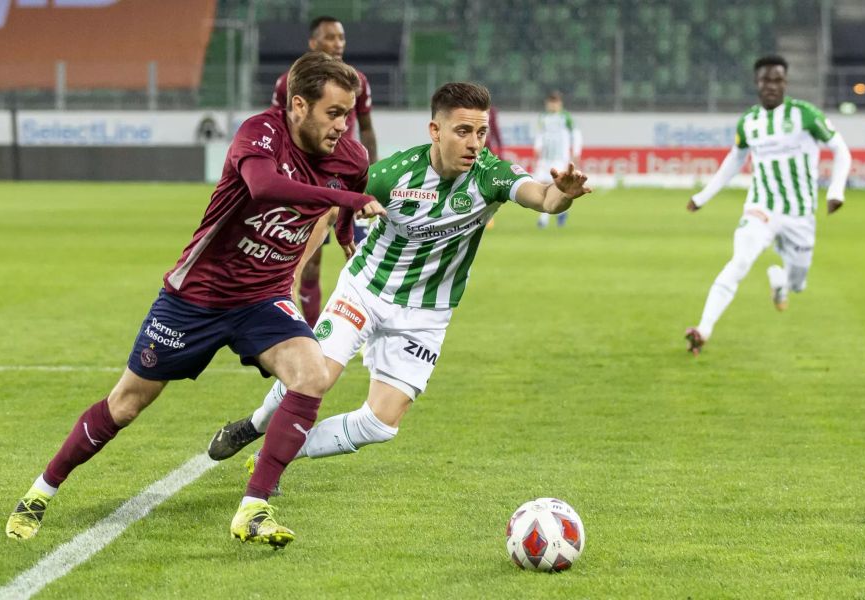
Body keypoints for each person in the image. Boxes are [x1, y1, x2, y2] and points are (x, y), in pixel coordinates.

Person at [5, 52, 386, 548]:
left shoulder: (350, 159)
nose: (343, 126)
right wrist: (348, 203)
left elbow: (341, 198)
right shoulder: (261, 133)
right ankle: (40, 492)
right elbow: (264, 187)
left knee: (312, 374)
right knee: (124, 405)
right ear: (298, 105)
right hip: (196, 299)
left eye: (348, 114)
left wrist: (343, 230)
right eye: (333, 113)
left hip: (261, 299)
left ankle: (254, 507)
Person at [207, 82, 592, 485]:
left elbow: (542, 197)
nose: (475, 143)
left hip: (427, 314)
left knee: (381, 424)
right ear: (435, 131)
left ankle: (281, 451)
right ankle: (254, 425)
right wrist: (293, 272)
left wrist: (562, 195)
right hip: (366, 291)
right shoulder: (393, 174)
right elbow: (328, 208)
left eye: (480, 132)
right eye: (463, 131)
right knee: (314, 376)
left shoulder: (490, 175)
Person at [685, 55, 851, 356]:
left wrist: (836, 191)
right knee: (740, 261)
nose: (771, 86)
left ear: (785, 83)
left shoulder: (805, 115)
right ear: (756, 83)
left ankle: (782, 283)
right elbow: (734, 160)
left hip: (800, 214)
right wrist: (702, 197)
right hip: (761, 207)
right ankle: (703, 329)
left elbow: (841, 149)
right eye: (766, 80)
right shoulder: (749, 122)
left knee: (799, 283)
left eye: (777, 80)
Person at [272, 16, 379, 327]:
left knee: (362, 257)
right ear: (313, 43)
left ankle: (363, 327)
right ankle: (313, 330)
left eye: (342, 38)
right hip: (308, 180)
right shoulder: (289, 81)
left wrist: (370, 176)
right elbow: (281, 128)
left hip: (349, 180)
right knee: (311, 261)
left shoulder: (357, 80)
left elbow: (368, 129)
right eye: (330, 37)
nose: (338, 44)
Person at [533, 91, 582, 228]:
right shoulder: (543, 117)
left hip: (560, 159)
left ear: (560, 103)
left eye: (555, 102)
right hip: (545, 159)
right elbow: (539, 135)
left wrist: (576, 152)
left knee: (555, 187)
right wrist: (537, 149)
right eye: (551, 102)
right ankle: (561, 212)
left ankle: (543, 219)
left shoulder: (565, 117)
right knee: (542, 186)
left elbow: (576, 135)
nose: (553, 105)